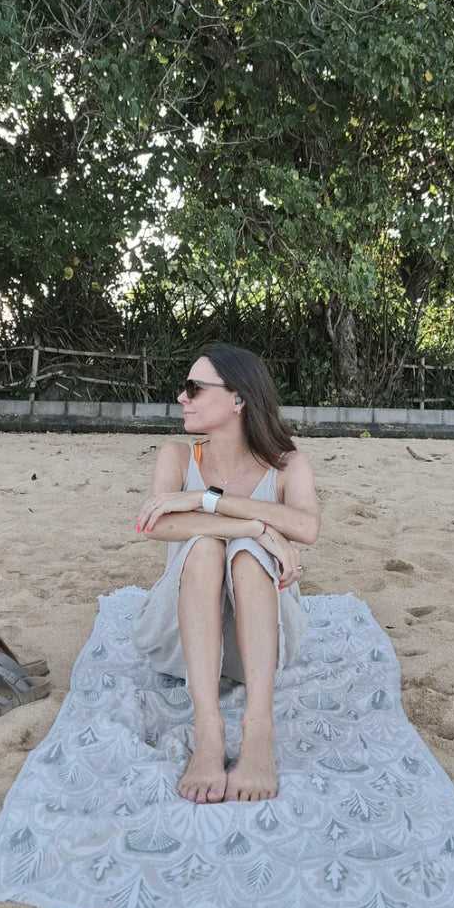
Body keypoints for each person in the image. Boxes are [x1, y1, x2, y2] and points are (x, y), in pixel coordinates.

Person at [133, 344, 321, 805]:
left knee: (248, 556)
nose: (182, 397)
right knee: (205, 547)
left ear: (239, 399)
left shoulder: (288, 464)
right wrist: (255, 527)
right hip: (184, 642)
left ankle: (259, 730)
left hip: (261, 644)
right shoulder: (177, 456)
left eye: (195, 388)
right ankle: (208, 728)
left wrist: (206, 501)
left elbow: (307, 527)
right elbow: (153, 525)